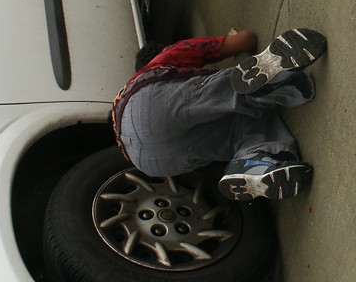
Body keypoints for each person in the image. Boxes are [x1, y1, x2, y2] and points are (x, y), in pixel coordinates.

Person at [112, 27, 328, 201]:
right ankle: (283, 84)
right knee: (218, 93)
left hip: (149, 163)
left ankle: (255, 160)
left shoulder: (121, 116)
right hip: (143, 109)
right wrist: (233, 39)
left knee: (233, 132)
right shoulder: (162, 60)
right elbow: (247, 40)